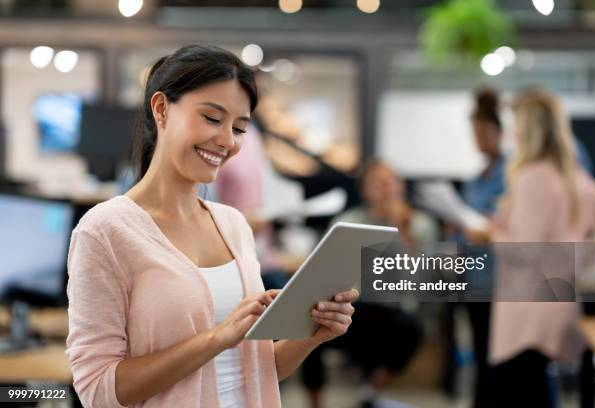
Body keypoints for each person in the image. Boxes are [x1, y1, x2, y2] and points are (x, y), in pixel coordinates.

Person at [65, 45, 359, 408]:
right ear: (161, 109)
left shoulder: (233, 225)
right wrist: (217, 337)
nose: (227, 141)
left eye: (239, 128)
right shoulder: (105, 231)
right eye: (211, 118)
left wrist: (313, 335)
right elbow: (97, 390)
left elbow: (253, 371)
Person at [473, 87, 595, 408]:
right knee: (534, 388)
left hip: (526, 311)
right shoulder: (573, 175)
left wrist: (491, 234)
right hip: (556, 302)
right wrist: (578, 261)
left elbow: (523, 251)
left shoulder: (532, 177)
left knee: (518, 390)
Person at [301, 159, 433, 408]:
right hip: (355, 306)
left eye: (391, 182)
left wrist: (404, 233)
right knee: (310, 326)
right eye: (378, 183)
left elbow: (416, 282)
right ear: (364, 191)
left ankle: (369, 393)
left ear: (401, 187)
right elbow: (327, 268)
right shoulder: (348, 221)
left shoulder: (420, 225)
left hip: (394, 312)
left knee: (412, 331)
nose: (386, 189)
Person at [462, 87, 506, 408]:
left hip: (504, 280)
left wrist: (492, 226)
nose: (478, 139)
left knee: (500, 360)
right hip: (475, 279)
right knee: (480, 354)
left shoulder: (512, 174)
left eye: (482, 132)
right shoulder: (475, 179)